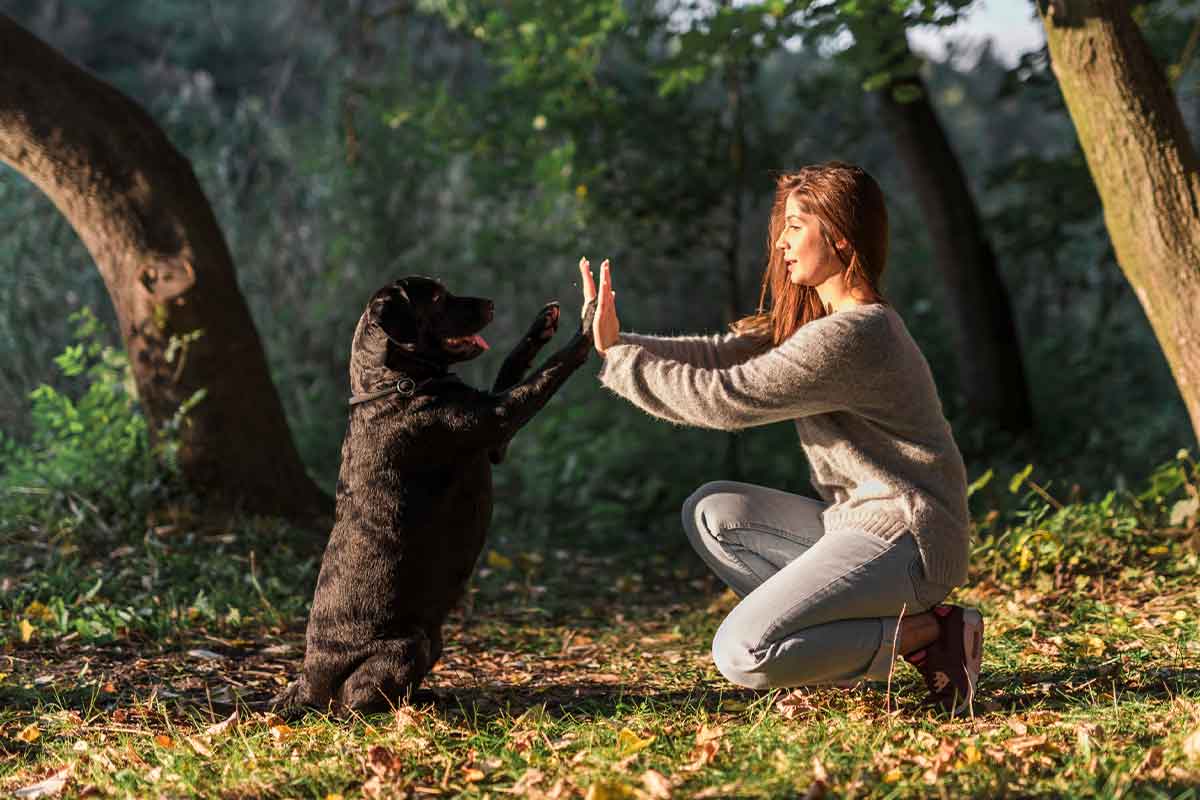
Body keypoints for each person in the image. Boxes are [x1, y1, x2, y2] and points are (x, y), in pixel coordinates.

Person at [577, 161, 983, 716]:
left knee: (742, 652)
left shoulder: (855, 335)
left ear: (839, 235)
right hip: (861, 525)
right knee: (713, 512)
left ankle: (921, 636)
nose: (782, 244)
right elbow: (722, 355)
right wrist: (617, 343)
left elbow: (725, 397)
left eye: (796, 226)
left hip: (910, 539)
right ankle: (826, 651)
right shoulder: (827, 325)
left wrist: (621, 360)